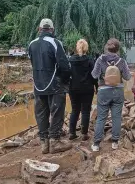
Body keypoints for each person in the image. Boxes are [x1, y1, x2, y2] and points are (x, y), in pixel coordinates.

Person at [28, 18, 72, 154]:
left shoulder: (31, 44)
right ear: (52, 30)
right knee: (57, 112)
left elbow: (33, 63)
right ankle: (55, 142)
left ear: (39, 29)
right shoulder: (55, 42)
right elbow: (64, 66)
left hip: (38, 85)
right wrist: (65, 81)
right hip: (55, 85)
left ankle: (44, 143)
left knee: (41, 113)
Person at [91, 38, 131, 152]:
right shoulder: (122, 61)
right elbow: (128, 77)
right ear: (118, 49)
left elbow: (94, 75)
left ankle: (96, 144)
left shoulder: (100, 59)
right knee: (117, 117)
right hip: (118, 91)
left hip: (103, 91)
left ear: (106, 47)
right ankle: (115, 142)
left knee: (101, 118)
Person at [68, 39, 98, 141]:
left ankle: (72, 133)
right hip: (87, 88)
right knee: (85, 111)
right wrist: (96, 87)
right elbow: (94, 76)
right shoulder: (90, 60)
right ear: (86, 48)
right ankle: (84, 134)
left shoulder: (70, 60)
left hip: (73, 89)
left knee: (75, 110)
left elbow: (67, 74)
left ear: (77, 47)